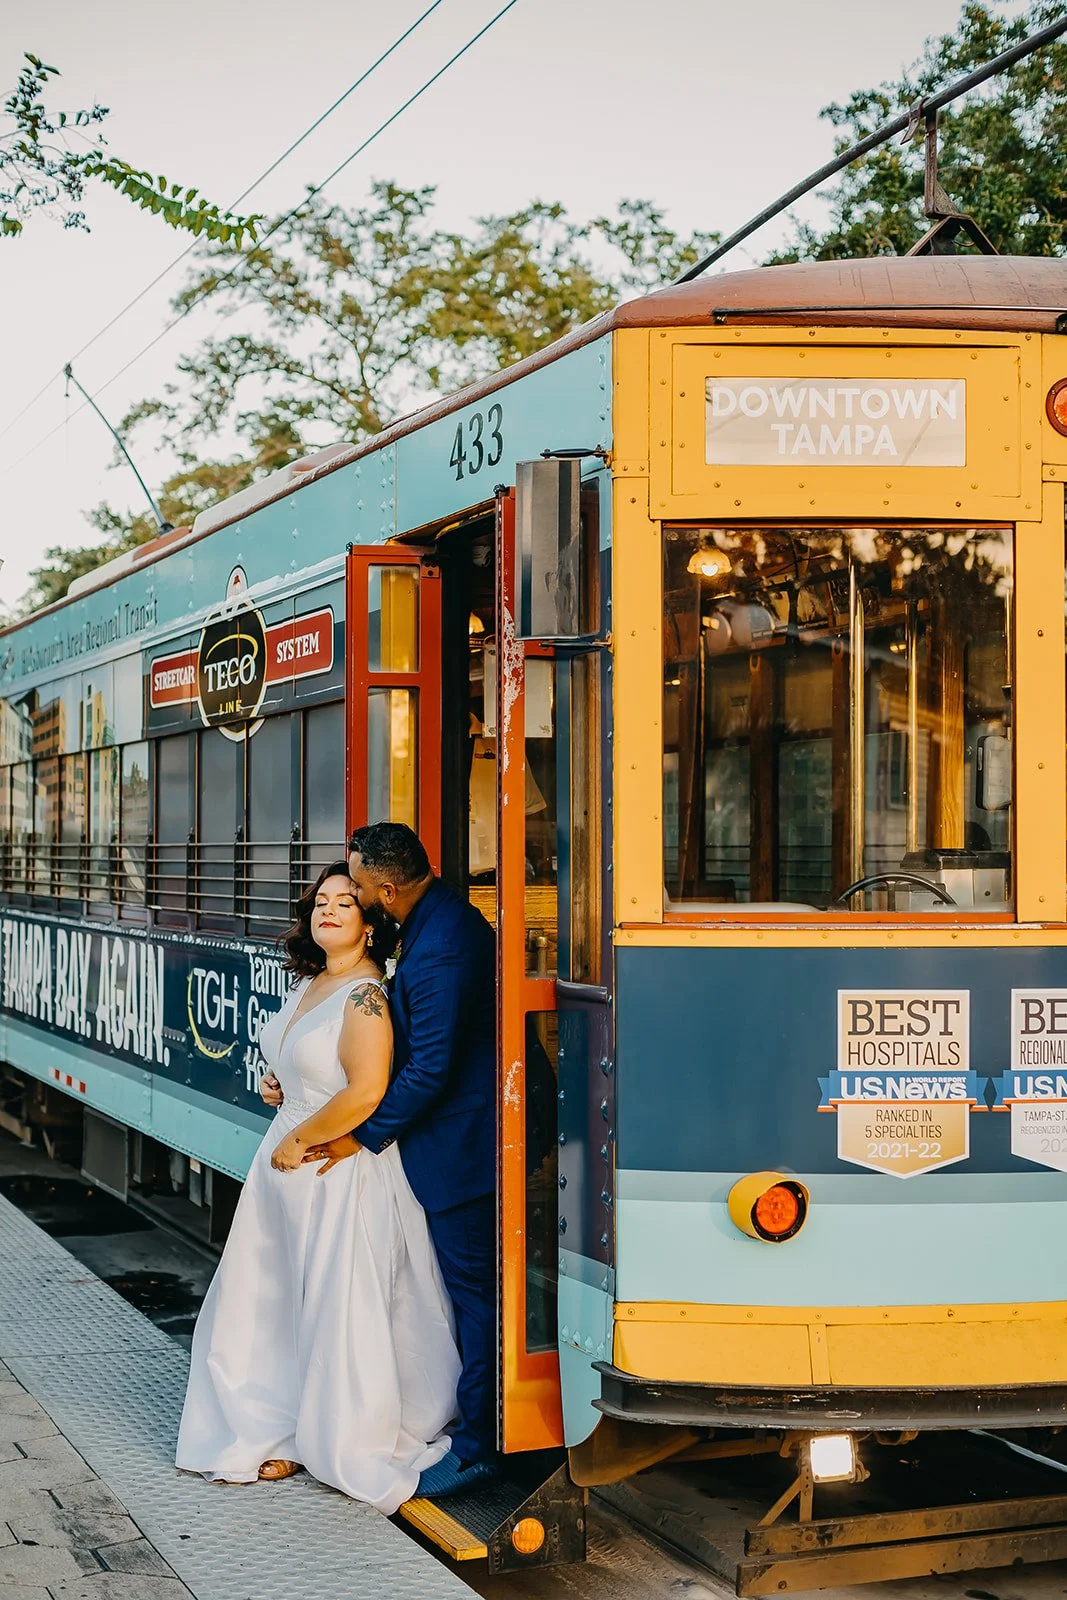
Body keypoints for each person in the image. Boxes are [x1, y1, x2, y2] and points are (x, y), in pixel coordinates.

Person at [175, 862, 459, 1514]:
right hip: (287, 1169)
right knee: (276, 1302)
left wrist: (302, 1137)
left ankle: (330, 1432)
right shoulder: (316, 983)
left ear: (367, 923)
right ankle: (281, 1424)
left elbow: (366, 1090)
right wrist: (279, 1088)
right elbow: (298, 1061)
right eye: (320, 902)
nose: (329, 910)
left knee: (332, 1303)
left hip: (334, 1168)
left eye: (344, 902)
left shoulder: (364, 995)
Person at [303, 822, 499, 1499]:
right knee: (462, 1288)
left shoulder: (444, 944)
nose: (351, 896)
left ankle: (478, 1445)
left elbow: (433, 1068)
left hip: (461, 1145)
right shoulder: (430, 923)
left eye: (355, 886)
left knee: (474, 1293)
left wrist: (362, 1136)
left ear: (384, 888)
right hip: (446, 1138)